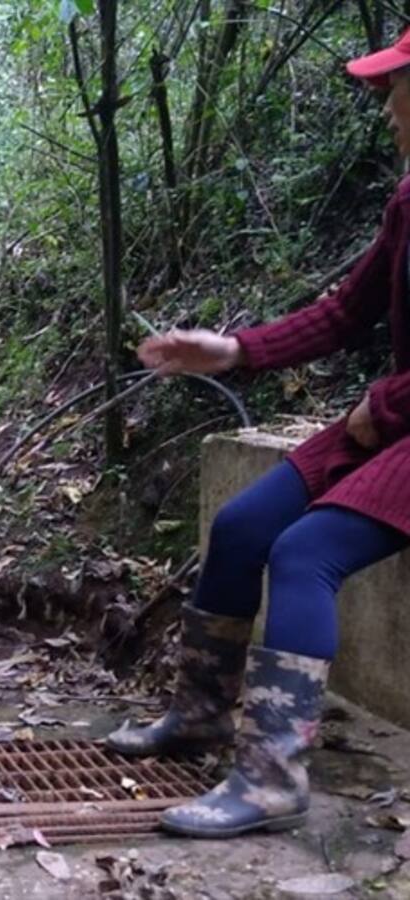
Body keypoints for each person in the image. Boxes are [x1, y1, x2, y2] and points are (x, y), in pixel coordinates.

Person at [107, 30, 410, 839]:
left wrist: (380, 415)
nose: (385, 107)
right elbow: (347, 313)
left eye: (396, 87)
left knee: (305, 554)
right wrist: (235, 350)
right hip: (394, 418)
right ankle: (200, 716)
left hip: (398, 419)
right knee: (241, 527)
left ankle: (275, 778)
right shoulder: (409, 203)